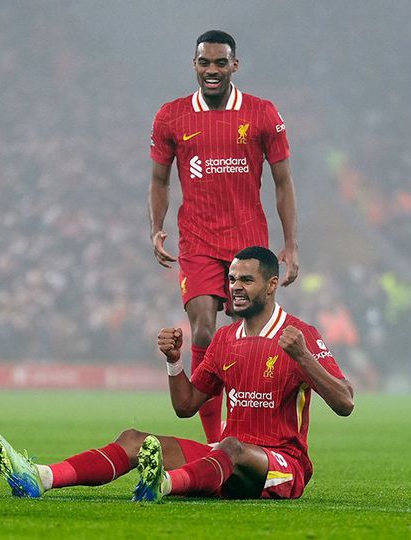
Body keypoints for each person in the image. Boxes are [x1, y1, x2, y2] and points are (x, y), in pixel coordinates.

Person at [0, 247, 352, 501]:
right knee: (133, 439)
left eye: (247, 280)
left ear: (272, 285)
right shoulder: (225, 339)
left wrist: (304, 357)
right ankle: (40, 477)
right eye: (232, 279)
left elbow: (345, 402)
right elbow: (185, 405)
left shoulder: (299, 335)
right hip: (224, 459)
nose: (236, 287)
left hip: (281, 467)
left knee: (231, 446)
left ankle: (162, 484)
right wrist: (174, 361)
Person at [148, 30, 300, 444]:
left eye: (220, 63)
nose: (211, 70)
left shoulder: (262, 113)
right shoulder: (171, 116)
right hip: (196, 240)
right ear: (194, 66)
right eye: (204, 63)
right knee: (201, 331)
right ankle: (217, 442)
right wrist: (156, 226)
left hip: (247, 242)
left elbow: (283, 182)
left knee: (244, 337)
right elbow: (159, 181)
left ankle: (249, 432)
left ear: (235, 65)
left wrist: (291, 243)